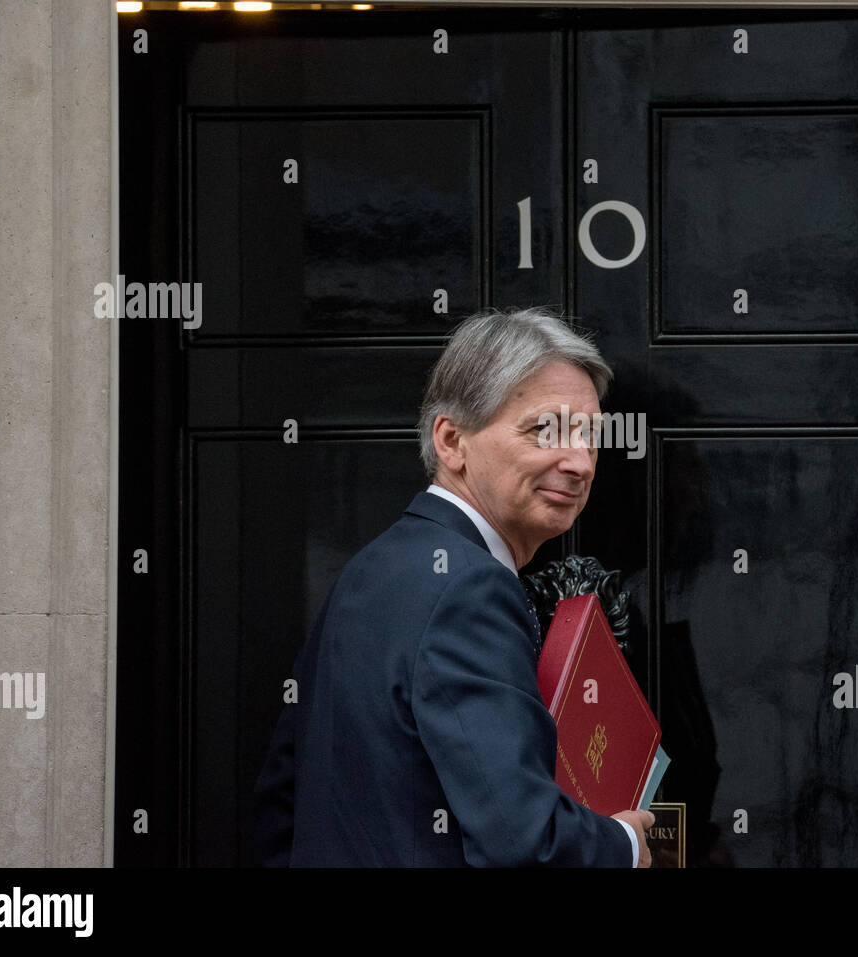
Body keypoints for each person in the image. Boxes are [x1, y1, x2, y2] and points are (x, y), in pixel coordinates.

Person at [253, 307, 654, 867]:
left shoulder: (371, 569)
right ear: (451, 440)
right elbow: (523, 841)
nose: (580, 462)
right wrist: (626, 843)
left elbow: (281, 811)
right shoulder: (470, 588)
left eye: (590, 437)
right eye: (547, 430)